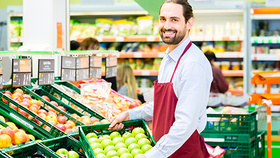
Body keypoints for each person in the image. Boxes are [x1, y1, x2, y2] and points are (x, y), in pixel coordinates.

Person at [109, 0, 212, 157]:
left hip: (182, 153)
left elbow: (185, 124)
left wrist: (151, 155)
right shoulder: (168, 57)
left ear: (189, 23)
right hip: (164, 150)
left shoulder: (193, 64)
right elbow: (163, 106)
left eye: (174, 20)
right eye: (163, 19)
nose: (167, 26)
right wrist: (130, 114)